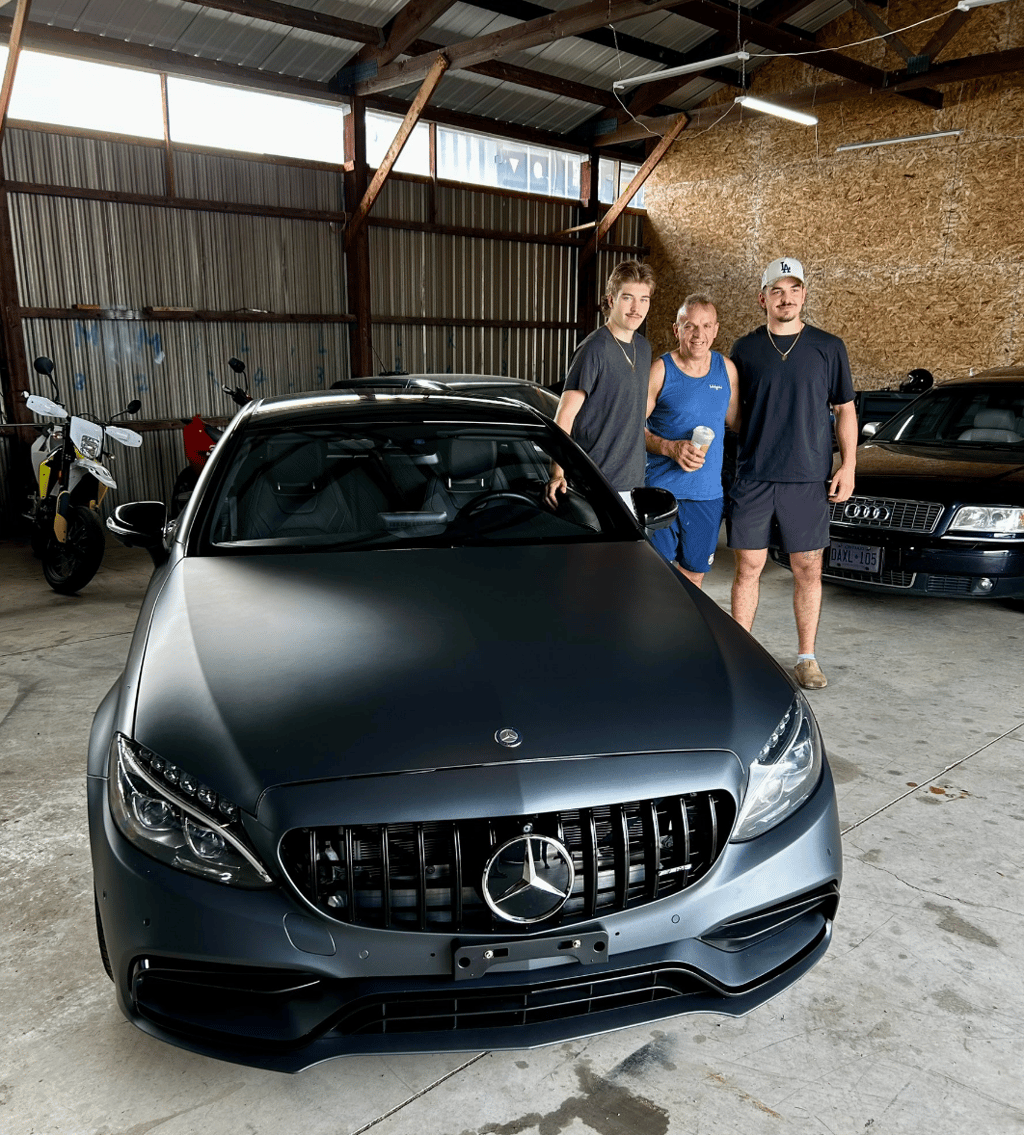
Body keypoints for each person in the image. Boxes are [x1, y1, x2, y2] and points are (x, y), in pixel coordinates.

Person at [728, 257, 857, 690]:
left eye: (795, 290)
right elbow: (732, 413)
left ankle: (806, 658)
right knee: (748, 566)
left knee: (807, 567)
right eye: (777, 291)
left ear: (804, 294)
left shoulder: (828, 347)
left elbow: (845, 411)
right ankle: (739, 656)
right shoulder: (744, 349)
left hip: (807, 477)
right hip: (755, 475)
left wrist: (849, 466)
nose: (787, 298)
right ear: (762, 298)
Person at [644, 294, 740, 588]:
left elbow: (738, 424)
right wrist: (669, 447)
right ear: (677, 330)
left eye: (705, 326)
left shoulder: (727, 371)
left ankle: (681, 635)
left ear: (716, 330)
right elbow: (631, 428)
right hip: (660, 494)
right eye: (689, 326)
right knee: (655, 577)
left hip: (707, 496)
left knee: (693, 577)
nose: (698, 335)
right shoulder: (661, 370)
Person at [545, 260, 655, 507]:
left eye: (644, 299)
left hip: (633, 483)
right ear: (611, 300)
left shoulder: (644, 348)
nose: (636, 308)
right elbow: (564, 416)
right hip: (594, 483)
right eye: (628, 298)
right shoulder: (594, 349)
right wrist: (557, 473)